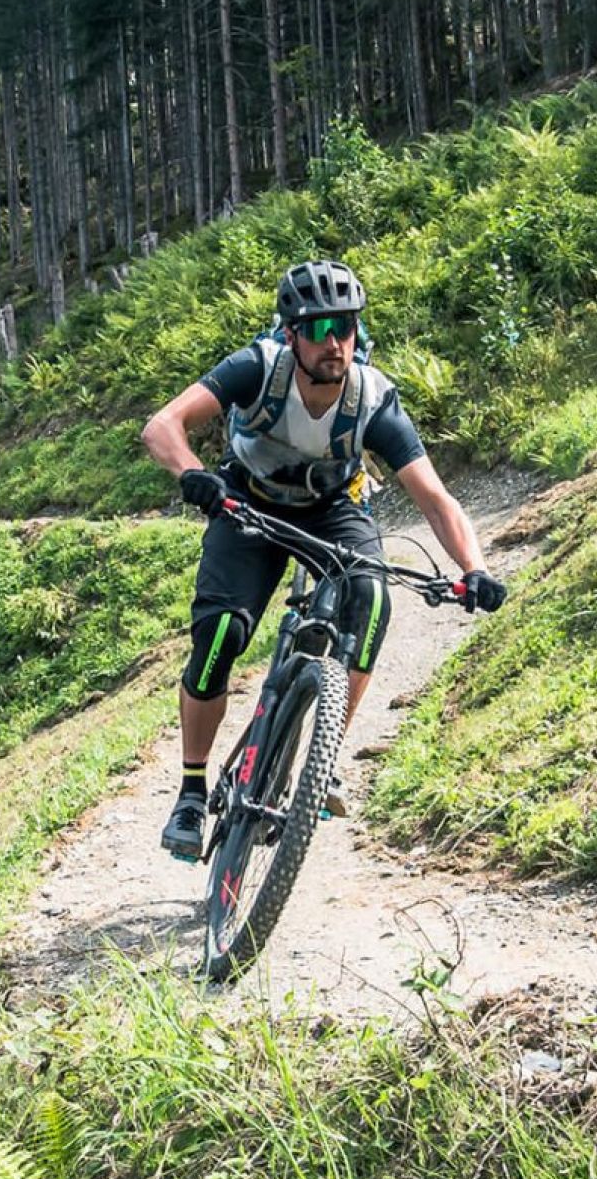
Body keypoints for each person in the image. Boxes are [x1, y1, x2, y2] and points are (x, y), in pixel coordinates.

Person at [139, 258, 505, 861]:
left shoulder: (372, 400)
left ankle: (322, 755)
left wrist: (475, 570)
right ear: (291, 334)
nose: (332, 341)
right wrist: (194, 474)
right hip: (247, 505)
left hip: (332, 507)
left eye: (344, 327)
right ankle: (191, 788)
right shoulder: (258, 368)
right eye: (315, 329)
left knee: (371, 597)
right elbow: (163, 426)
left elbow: (436, 498)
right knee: (221, 634)